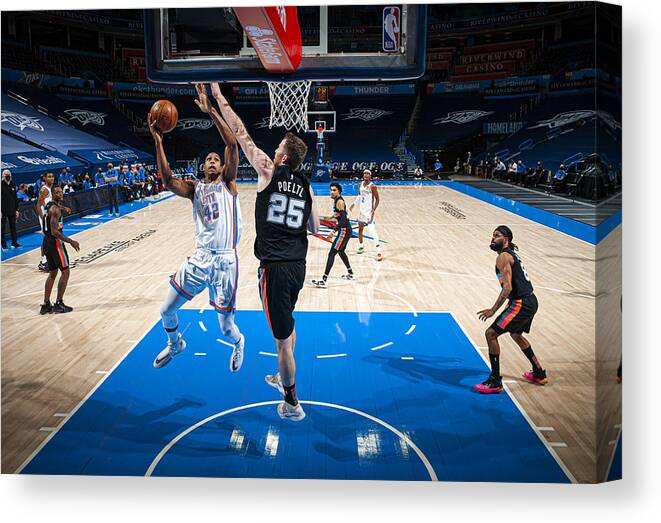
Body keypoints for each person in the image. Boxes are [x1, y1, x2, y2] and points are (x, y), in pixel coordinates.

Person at [213, 82, 320, 422]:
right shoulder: (306, 186)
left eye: (276, 149)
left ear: (284, 157)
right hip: (298, 267)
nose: (271, 152)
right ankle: (282, 376)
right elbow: (315, 228)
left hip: (273, 268)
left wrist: (217, 97)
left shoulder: (267, 170)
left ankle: (291, 402)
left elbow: (240, 132)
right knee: (288, 330)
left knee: (282, 342)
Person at [149, 84, 245, 374]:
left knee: (226, 328)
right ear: (203, 168)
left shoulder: (228, 182)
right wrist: (158, 141)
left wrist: (211, 110)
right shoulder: (195, 188)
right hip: (201, 258)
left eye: (217, 159)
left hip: (226, 261)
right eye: (209, 160)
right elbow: (167, 180)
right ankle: (176, 343)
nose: (214, 161)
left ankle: (240, 343)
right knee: (166, 310)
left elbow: (231, 145)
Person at [475, 226, 546, 394]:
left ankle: (495, 381)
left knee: (491, 334)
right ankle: (538, 372)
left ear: (506, 239)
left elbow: (506, 289)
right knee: (516, 334)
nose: (492, 238)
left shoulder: (503, 257)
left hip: (521, 303)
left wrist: (493, 310)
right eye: (492, 235)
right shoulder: (510, 253)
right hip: (530, 300)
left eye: (497, 235)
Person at [39, 186, 81, 314]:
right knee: (66, 272)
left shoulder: (50, 206)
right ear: (52, 194)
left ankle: (46, 304)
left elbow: (54, 208)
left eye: (61, 191)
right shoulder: (55, 209)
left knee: (52, 272)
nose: (60, 193)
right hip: (55, 242)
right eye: (57, 192)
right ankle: (59, 303)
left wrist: (64, 208)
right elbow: (54, 231)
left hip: (46, 241)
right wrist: (71, 241)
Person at [312, 182, 354, 288]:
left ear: (339, 191)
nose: (332, 191)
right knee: (341, 251)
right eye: (331, 189)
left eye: (334, 190)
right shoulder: (337, 200)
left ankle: (324, 280)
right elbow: (340, 214)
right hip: (346, 229)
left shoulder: (339, 201)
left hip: (344, 230)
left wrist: (333, 232)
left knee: (332, 253)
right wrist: (331, 217)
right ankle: (350, 273)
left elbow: (343, 219)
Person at [349, 168, 382, 260]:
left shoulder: (373, 186)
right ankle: (361, 246)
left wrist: (374, 209)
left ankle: (379, 251)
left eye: (367, 174)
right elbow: (359, 196)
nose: (366, 175)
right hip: (362, 211)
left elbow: (377, 199)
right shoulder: (360, 184)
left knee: (372, 231)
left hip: (369, 212)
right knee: (360, 230)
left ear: (370, 176)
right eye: (364, 173)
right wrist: (354, 204)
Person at [36, 172, 55, 271]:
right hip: (44, 217)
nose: (51, 178)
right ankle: (43, 262)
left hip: (48, 217)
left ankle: (46, 260)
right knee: (46, 238)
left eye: (52, 176)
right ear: (45, 178)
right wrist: (43, 218)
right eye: (49, 177)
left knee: (49, 238)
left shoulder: (49, 189)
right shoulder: (44, 189)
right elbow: (38, 205)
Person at [1, 170, 21, 249]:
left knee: (13, 227)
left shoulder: (12, 184)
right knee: (2, 228)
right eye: (6, 174)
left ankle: (14, 243)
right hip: (3, 211)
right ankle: (3, 244)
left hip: (12, 210)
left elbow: (15, 198)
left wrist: (16, 209)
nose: (7, 175)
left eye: (8, 174)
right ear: (3, 175)